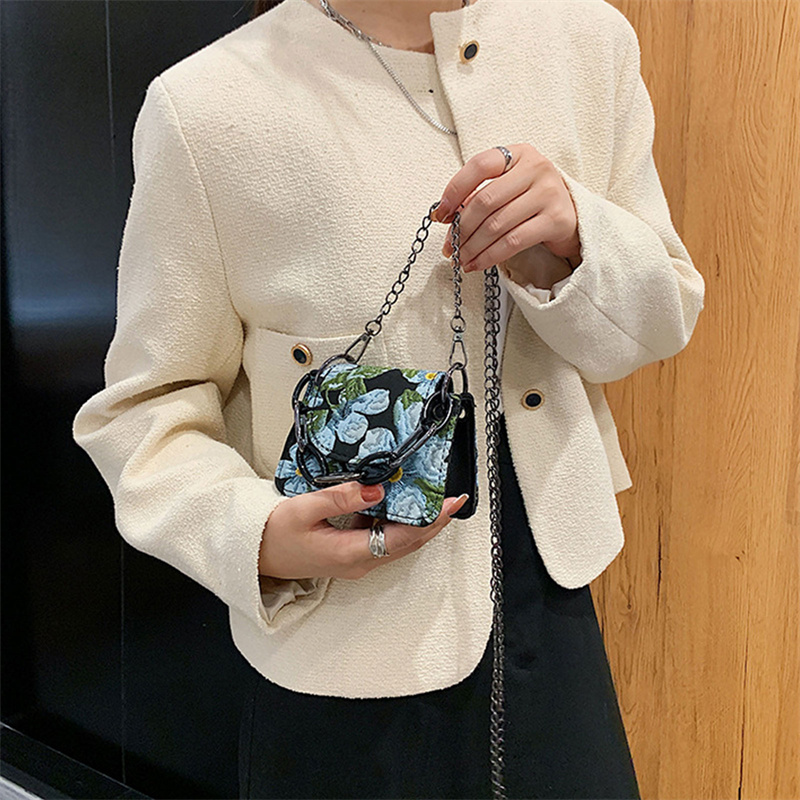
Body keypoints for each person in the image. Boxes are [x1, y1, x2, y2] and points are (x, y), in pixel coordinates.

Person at [72, 0, 705, 797]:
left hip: (553, 618)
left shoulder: (585, 41)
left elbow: (659, 324)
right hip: (341, 650)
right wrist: (256, 537)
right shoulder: (206, 107)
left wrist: (578, 239)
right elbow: (143, 410)